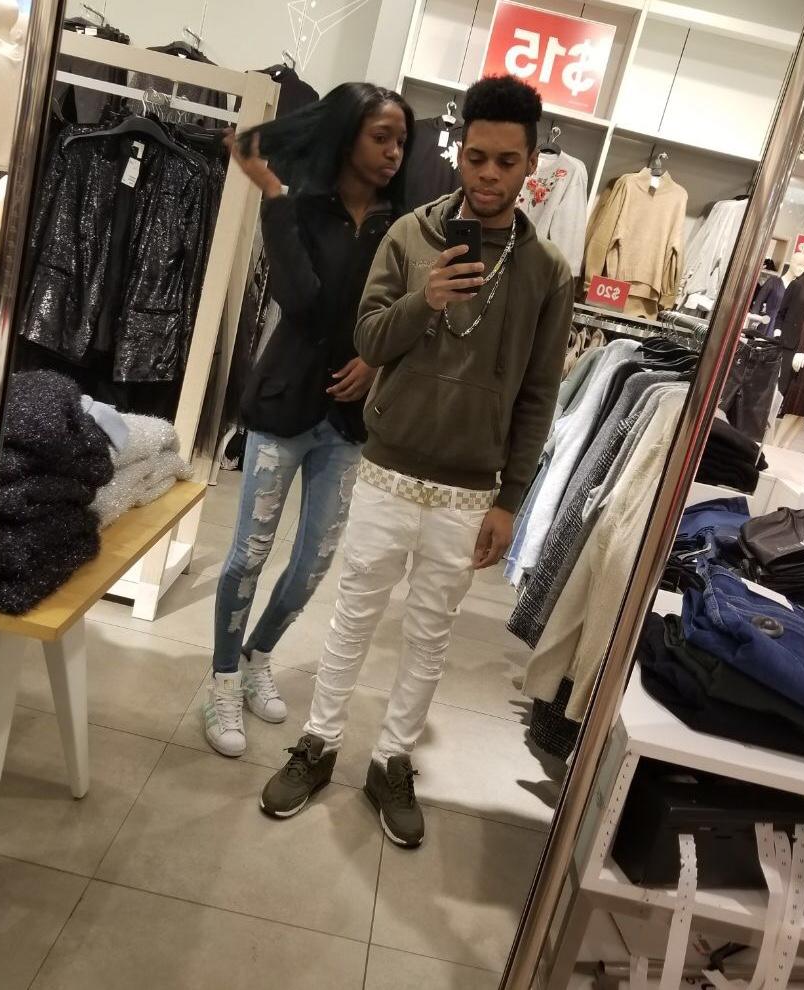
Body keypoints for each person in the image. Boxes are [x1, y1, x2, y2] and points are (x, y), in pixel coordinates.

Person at [260, 75, 574, 846]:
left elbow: (538, 394)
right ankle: (319, 742)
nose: (489, 175)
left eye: (506, 161)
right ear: (460, 152)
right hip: (389, 467)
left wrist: (512, 498)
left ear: (531, 164)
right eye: (477, 157)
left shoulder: (547, 272)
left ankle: (391, 759)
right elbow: (369, 339)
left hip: (469, 490)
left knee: (431, 634)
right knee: (354, 615)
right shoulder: (409, 237)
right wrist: (425, 298)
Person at [205, 83, 414, 758]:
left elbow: (408, 317)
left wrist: (376, 363)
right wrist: (272, 195)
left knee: (314, 564)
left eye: (401, 140)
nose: (394, 151)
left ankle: (258, 654)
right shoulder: (300, 204)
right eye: (381, 137)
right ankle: (223, 676)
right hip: (284, 404)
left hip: (348, 422)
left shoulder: (402, 225)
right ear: (348, 136)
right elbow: (300, 301)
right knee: (248, 555)